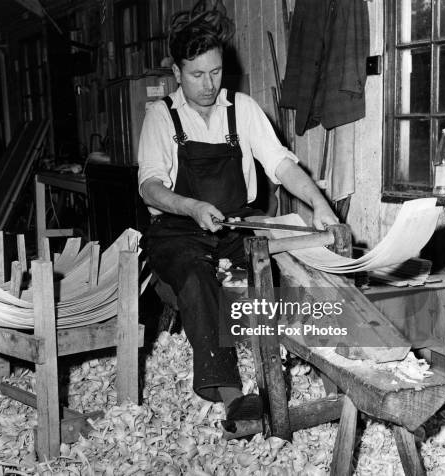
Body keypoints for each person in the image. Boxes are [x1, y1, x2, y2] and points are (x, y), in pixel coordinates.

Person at [137, 5, 339, 421]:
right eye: (197, 75)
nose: (209, 84)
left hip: (235, 223)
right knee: (196, 277)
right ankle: (232, 397)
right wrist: (191, 207)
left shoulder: (242, 109)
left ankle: (321, 371)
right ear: (176, 72)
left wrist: (319, 204)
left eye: (215, 72)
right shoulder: (161, 116)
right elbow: (150, 187)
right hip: (178, 231)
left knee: (285, 265)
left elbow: (282, 166)